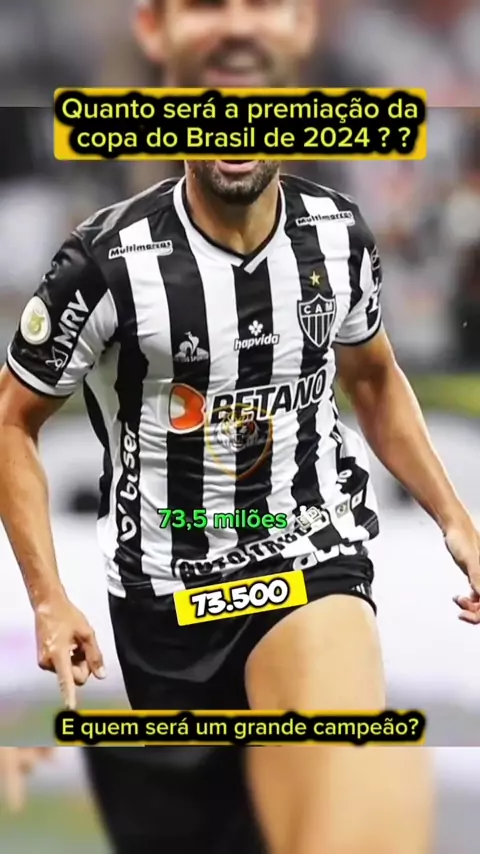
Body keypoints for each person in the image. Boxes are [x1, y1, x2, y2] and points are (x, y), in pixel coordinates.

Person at [2, 153, 479, 853]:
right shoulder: (104, 261)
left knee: (337, 805)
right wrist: (48, 599)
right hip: (166, 597)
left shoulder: (336, 233)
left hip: (310, 555)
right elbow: (12, 422)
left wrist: (456, 519)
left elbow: (374, 380)